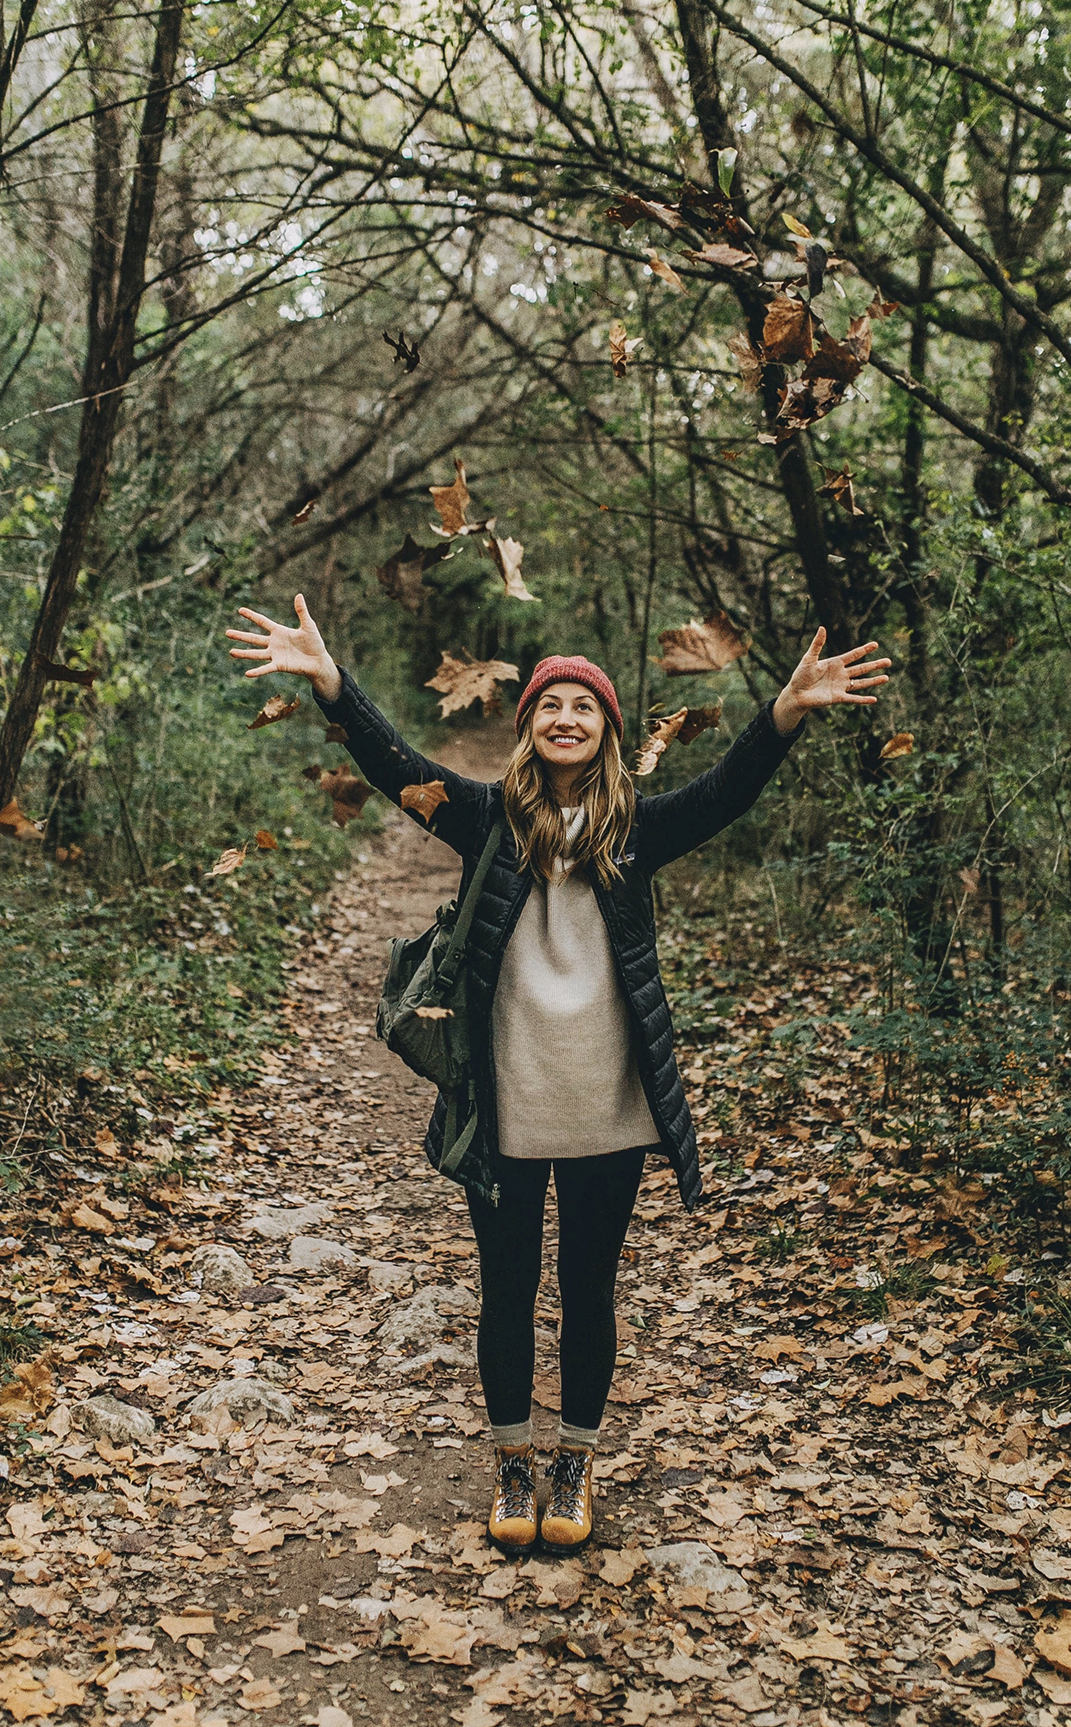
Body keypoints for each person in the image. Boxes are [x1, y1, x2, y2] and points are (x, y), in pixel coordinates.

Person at [227, 596, 889, 1551]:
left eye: (585, 707)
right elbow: (397, 770)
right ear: (530, 727)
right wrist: (332, 683)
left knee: (588, 1286)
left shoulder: (638, 828)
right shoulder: (485, 819)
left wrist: (784, 710)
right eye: (550, 706)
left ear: (608, 731)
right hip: (504, 1099)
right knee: (504, 1287)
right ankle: (511, 1462)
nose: (566, 718)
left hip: (607, 1104)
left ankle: (574, 1458)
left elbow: (731, 790)